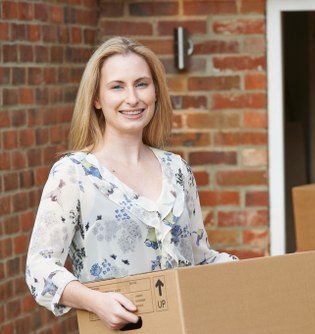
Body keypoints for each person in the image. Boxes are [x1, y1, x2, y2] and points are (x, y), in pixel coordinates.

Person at [25, 36, 237, 330]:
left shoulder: (177, 170)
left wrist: (256, 274)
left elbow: (199, 259)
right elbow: (39, 269)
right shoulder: (73, 174)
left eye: (141, 84)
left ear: (155, 91)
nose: (133, 98)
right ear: (97, 99)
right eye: (117, 87)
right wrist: (94, 301)